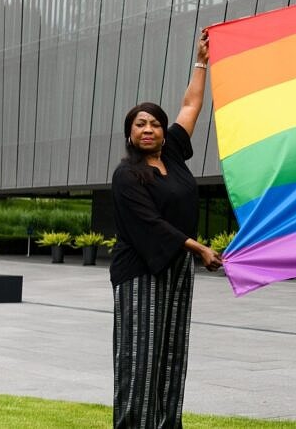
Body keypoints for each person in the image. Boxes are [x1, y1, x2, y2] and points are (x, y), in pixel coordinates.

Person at [110, 28, 221, 428]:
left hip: (176, 271)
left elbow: (190, 105)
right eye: (140, 124)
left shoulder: (172, 154)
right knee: (139, 361)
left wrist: (202, 61)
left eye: (155, 124)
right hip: (140, 272)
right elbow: (151, 226)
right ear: (130, 133)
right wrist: (201, 249)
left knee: (172, 357)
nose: (149, 129)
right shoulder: (127, 176)